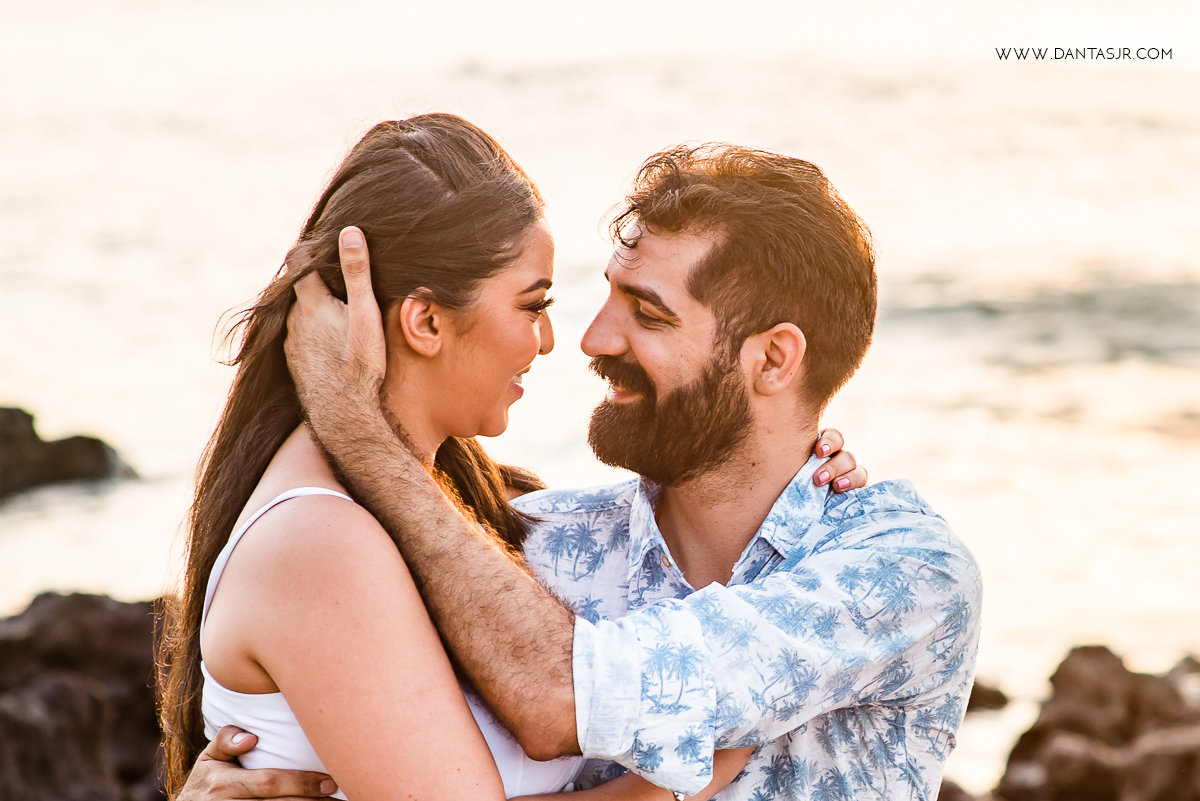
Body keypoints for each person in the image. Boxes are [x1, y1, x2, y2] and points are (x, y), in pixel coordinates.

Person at [161, 117, 867, 801]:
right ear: (427, 321)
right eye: (532, 305)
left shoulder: (436, 518)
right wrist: (675, 781)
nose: (556, 339)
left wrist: (789, 475)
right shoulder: (320, 542)